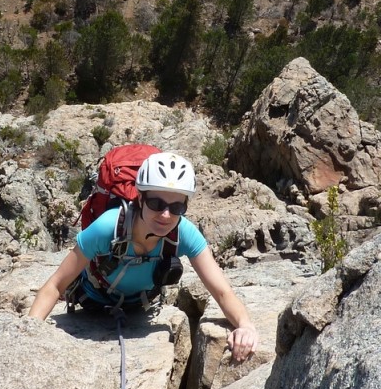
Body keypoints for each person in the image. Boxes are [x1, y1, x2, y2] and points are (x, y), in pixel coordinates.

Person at [28, 152, 259, 361]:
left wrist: (245, 325)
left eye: (176, 208)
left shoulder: (184, 233)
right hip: (94, 301)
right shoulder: (108, 227)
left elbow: (222, 291)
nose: (166, 215)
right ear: (139, 199)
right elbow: (55, 286)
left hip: (140, 305)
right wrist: (29, 334)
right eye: (156, 203)